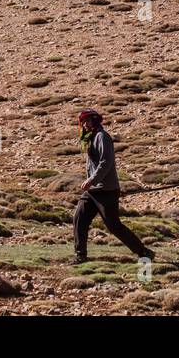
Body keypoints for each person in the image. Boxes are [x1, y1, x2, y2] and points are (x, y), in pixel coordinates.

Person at [73, 109, 154, 264]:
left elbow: (106, 162)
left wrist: (92, 180)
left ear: (95, 121)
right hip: (93, 191)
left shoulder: (102, 136)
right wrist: (92, 183)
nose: (84, 125)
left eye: (87, 121)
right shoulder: (91, 137)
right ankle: (80, 255)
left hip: (106, 190)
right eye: (82, 122)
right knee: (79, 218)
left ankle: (143, 251)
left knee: (113, 225)